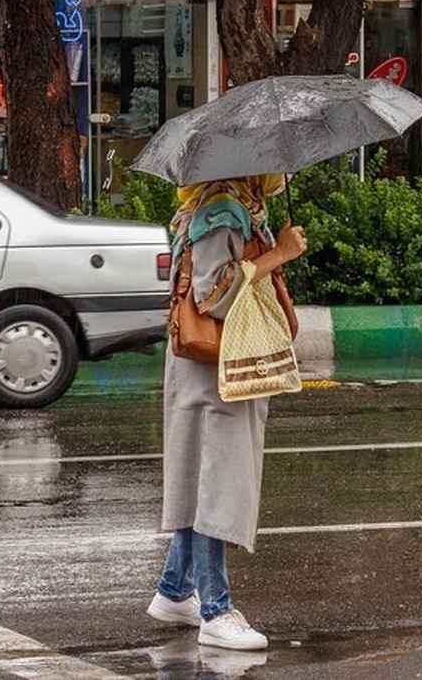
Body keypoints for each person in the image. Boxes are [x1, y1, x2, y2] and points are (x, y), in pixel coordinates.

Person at [146, 174, 306, 651]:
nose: (282, 174)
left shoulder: (236, 208)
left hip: (215, 368)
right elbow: (210, 296)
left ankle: (176, 590)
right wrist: (278, 254)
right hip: (215, 369)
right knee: (217, 479)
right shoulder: (222, 213)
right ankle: (215, 610)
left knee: (204, 476)